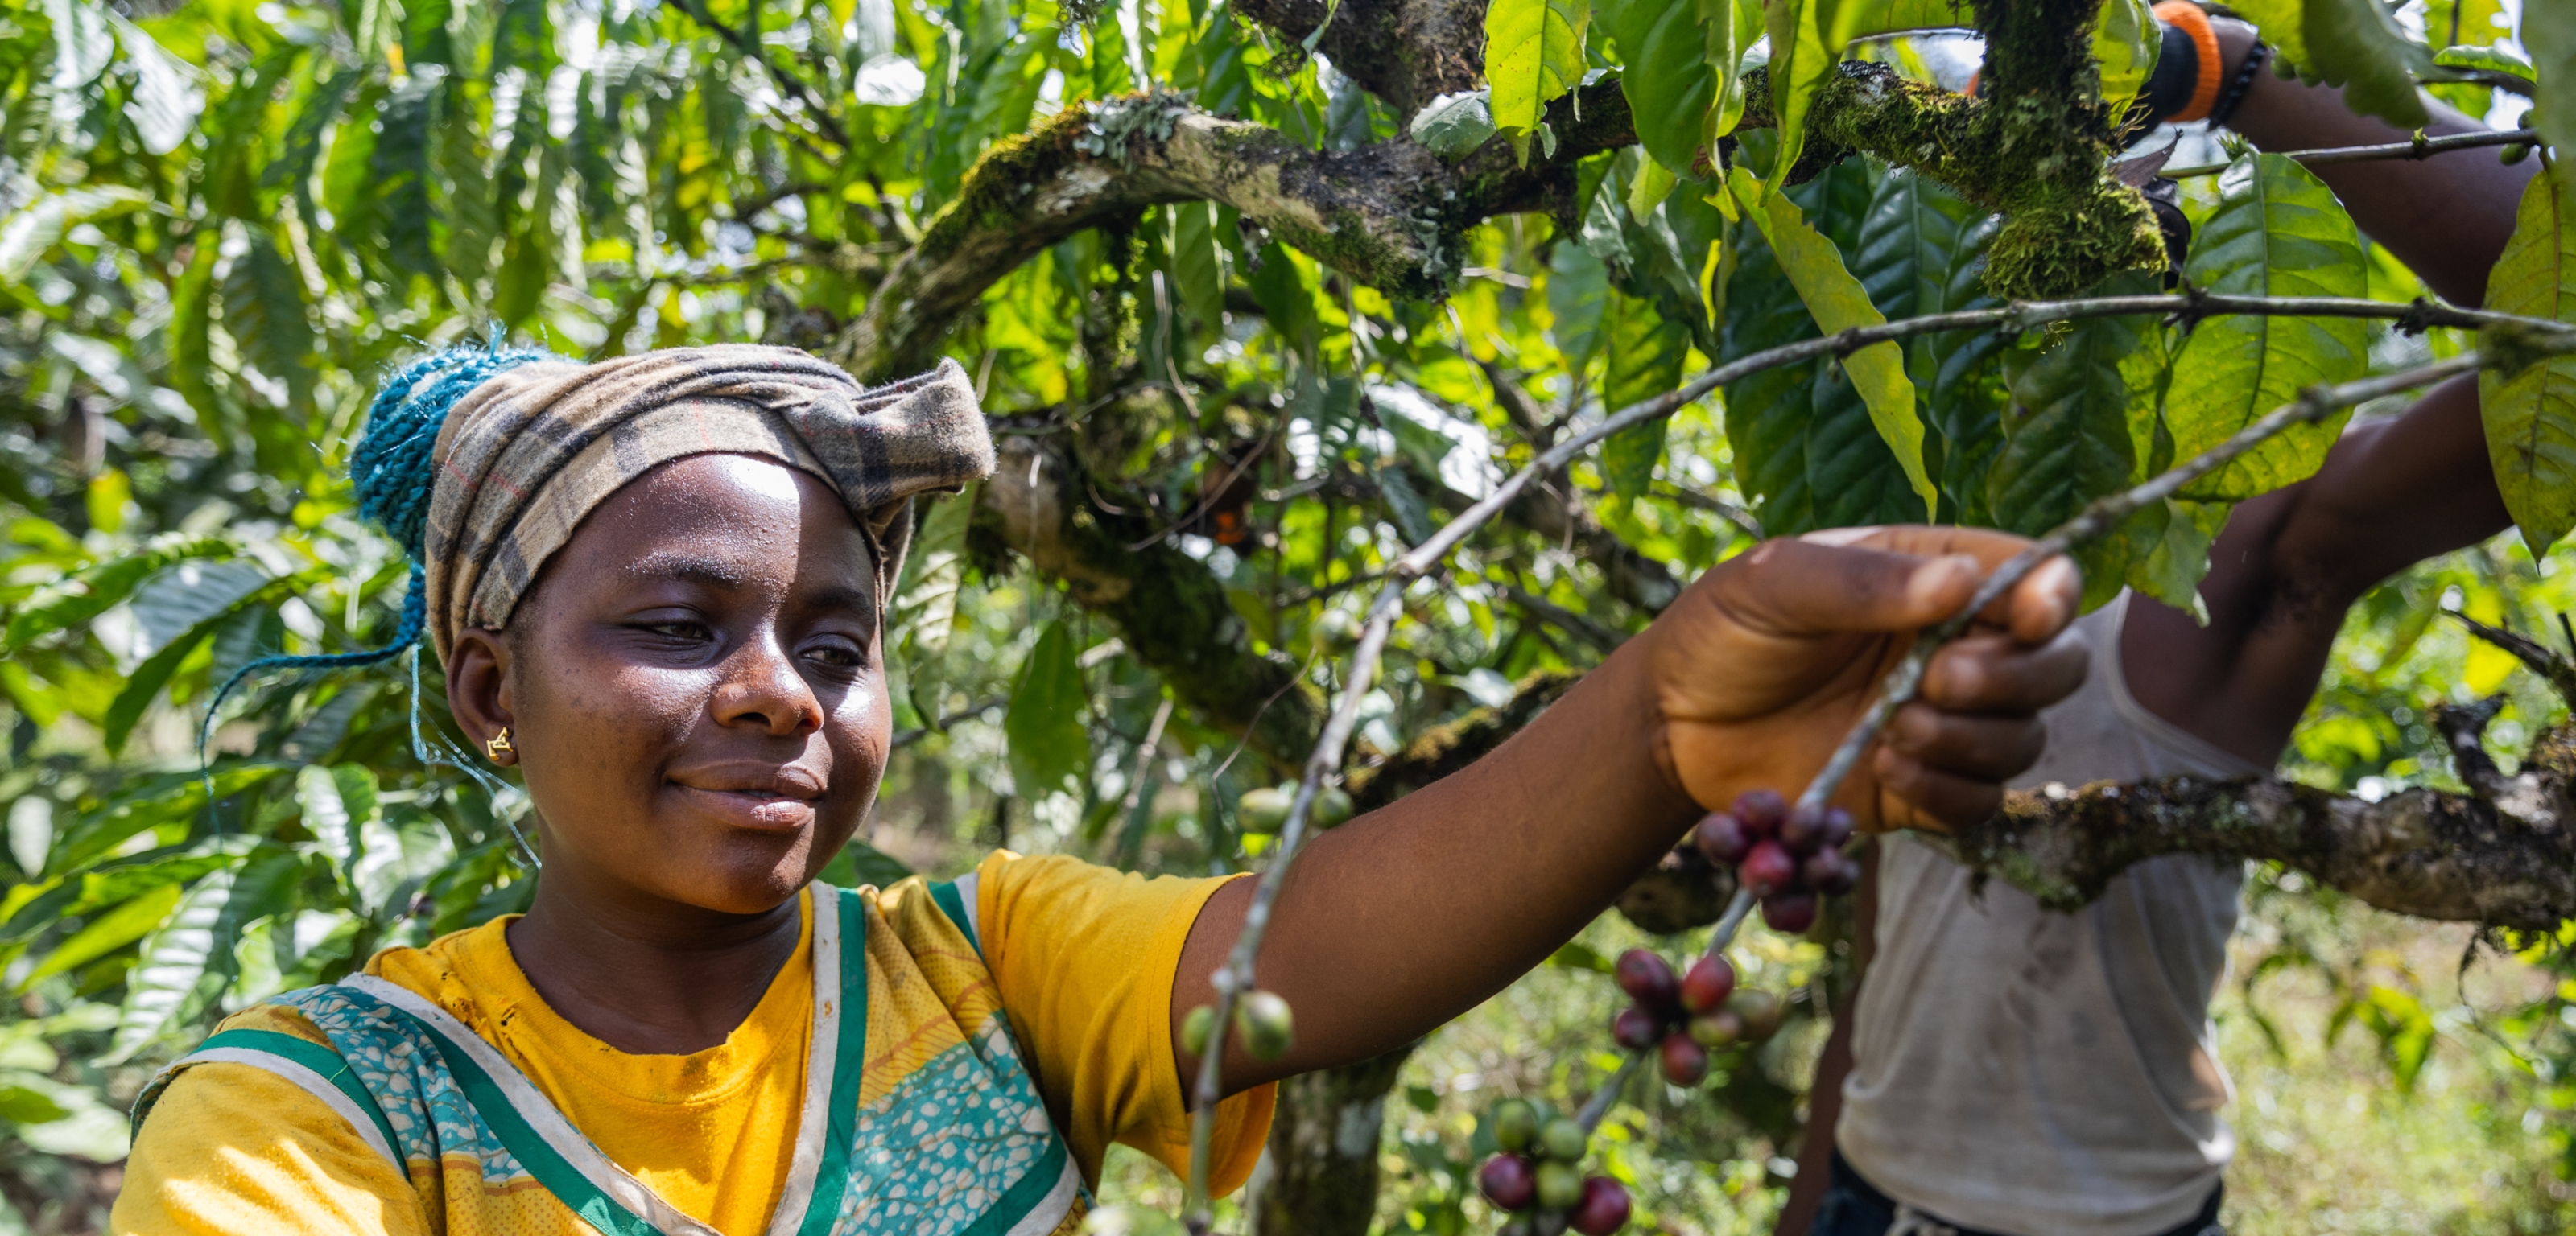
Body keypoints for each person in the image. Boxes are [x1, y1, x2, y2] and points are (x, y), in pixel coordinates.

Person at [110, 342, 2086, 1234]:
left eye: (833, 640)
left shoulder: (984, 969)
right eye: (679, 624)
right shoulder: (322, 1119)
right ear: (485, 689)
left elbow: (1306, 949)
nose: (779, 694)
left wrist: (1670, 712)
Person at [1786, 6, 2537, 1235]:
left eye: (2119, 171)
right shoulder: (1916, 549)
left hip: (2116, 1214)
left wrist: (2218, 66)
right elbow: (1882, 956)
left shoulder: (2256, 538)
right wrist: (1818, 1192)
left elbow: (2560, 317)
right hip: (1874, 1185)